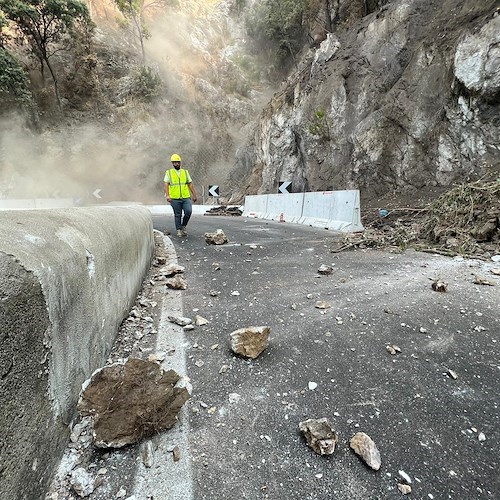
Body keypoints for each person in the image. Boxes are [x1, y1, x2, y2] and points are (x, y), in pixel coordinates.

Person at [164, 153, 198, 237]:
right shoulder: (169, 173)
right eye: (174, 162)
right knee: (177, 214)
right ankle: (178, 230)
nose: (176, 164)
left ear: (180, 162)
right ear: (172, 163)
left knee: (188, 211)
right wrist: (167, 195)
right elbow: (166, 184)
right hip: (174, 198)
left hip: (186, 197)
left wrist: (194, 195)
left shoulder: (185, 172)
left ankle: (183, 226)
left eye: (178, 162)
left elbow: (190, 184)